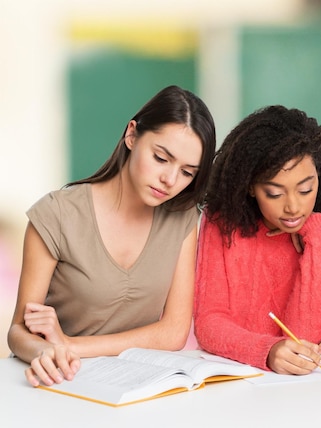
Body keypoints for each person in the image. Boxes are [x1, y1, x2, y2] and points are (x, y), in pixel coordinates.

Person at [8, 85, 216, 386]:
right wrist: (47, 351)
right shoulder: (57, 214)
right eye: (161, 158)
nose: (170, 180)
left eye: (187, 173)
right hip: (61, 381)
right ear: (132, 135)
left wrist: (70, 344)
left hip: (136, 384)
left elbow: (173, 332)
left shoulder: (182, 218)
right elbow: (18, 331)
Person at [193, 105, 321, 375]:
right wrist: (266, 350)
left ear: (320, 176)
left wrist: (318, 241)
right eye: (274, 193)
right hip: (227, 381)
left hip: (296, 393)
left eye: (305, 189)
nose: (293, 207)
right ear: (250, 187)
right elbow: (209, 323)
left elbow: (305, 336)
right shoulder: (222, 224)